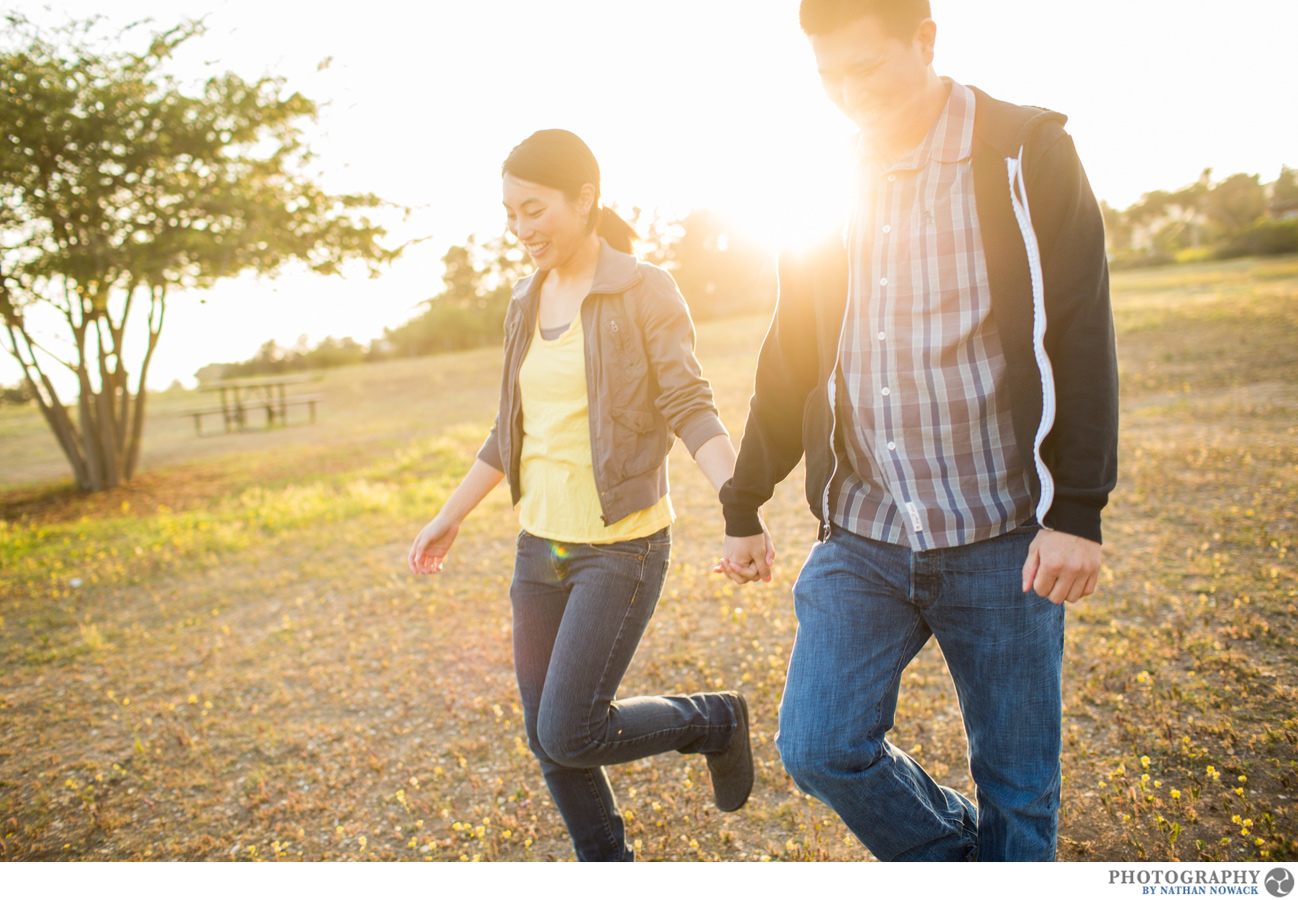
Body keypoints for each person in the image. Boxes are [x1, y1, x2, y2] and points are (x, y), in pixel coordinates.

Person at [716, 0, 1118, 861]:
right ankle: (969, 865)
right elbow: (791, 353)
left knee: (1019, 786)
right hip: (865, 535)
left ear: (927, 41)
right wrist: (744, 499)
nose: (849, 94)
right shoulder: (824, 176)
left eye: (867, 69)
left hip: (1001, 535)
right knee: (818, 745)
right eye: (829, 77)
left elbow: (1077, 328)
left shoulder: (1025, 151)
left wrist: (1075, 510)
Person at [408, 129, 754, 862]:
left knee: (569, 729)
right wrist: (450, 516)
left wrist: (739, 506)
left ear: (585, 198)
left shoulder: (644, 288)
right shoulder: (522, 301)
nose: (521, 230)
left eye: (534, 210)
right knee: (550, 740)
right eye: (510, 214)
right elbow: (512, 430)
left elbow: (690, 405)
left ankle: (713, 720)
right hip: (540, 546)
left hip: (621, 548)